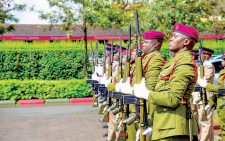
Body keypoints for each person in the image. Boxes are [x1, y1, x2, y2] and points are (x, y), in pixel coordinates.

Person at [134, 23, 199, 140]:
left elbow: (172, 99)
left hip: (174, 127)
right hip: (166, 124)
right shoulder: (174, 61)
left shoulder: (185, 63)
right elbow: (161, 94)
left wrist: (146, 93)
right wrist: (153, 123)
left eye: (175, 36)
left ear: (186, 42)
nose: (170, 38)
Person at [199, 51, 225, 141]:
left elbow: (222, 88)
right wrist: (210, 103)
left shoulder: (210, 66)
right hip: (221, 106)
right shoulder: (222, 72)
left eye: (224, 59)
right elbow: (218, 90)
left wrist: (206, 85)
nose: (222, 61)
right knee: (223, 130)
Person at [191, 47, 215, 141]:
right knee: (195, 119)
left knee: (205, 121)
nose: (198, 56)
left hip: (204, 95)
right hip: (195, 95)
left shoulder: (208, 65)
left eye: (201, 54)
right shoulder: (200, 64)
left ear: (206, 55)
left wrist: (191, 80)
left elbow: (205, 80)